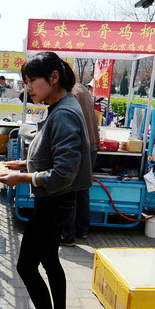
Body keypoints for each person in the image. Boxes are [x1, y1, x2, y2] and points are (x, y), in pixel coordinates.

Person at [0, 52, 91, 309]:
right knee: (49, 261)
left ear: (53, 77)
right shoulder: (60, 106)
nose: (28, 89)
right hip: (56, 200)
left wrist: (23, 179)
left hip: (54, 201)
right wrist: (22, 165)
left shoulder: (64, 113)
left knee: (26, 265)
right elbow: (50, 156)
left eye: (31, 81)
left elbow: (63, 173)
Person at [60, 76, 100, 244]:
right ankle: (82, 230)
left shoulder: (68, 93)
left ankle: (67, 236)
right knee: (83, 188)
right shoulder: (82, 89)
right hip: (91, 144)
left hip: (79, 146)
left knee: (68, 190)